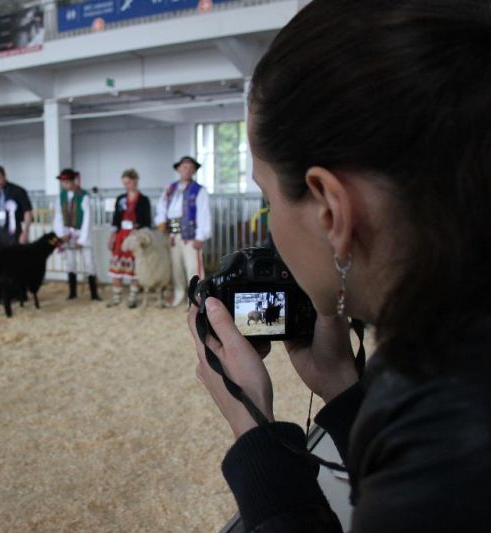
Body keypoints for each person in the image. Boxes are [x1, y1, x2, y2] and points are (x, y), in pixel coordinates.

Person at [186, 1, 491, 531]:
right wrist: (344, 389)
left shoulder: (448, 448)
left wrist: (255, 431)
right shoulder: (448, 358)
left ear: (330, 207)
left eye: (269, 197)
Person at [155, 156, 211, 307]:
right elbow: (162, 206)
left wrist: (201, 236)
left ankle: (195, 299)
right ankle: (179, 295)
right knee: (176, 267)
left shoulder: (199, 190)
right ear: (178, 169)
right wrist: (162, 222)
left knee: (193, 268)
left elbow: (203, 214)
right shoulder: (170, 188)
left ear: (194, 170)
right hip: (173, 234)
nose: (186, 169)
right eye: (184, 166)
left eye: (190, 167)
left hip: (191, 236)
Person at [53, 168, 100, 301]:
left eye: (67, 181)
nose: (65, 184)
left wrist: (83, 239)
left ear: (74, 181)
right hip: (67, 233)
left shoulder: (83, 196)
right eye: (63, 182)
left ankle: (94, 294)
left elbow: (87, 219)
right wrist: (61, 234)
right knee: (70, 263)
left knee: (89, 262)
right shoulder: (60, 197)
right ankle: (72, 292)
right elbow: (58, 216)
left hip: (81, 233)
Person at [107, 168, 152, 308]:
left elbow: (147, 221)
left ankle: (132, 297)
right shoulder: (120, 199)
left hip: (135, 236)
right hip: (121, 236)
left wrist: (137, 229)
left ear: (135, 181)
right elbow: (116, 220)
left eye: (129, 182)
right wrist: (112, 235)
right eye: (124, 183)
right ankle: (116, 296)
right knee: (116, 267)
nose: (127, 186)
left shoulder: (143, 200)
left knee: (135, 268)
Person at [0, 165, 32, 249]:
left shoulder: (18, 191)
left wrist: (25, 232)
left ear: (4, 176)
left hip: (15, 233)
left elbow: (27, 212)